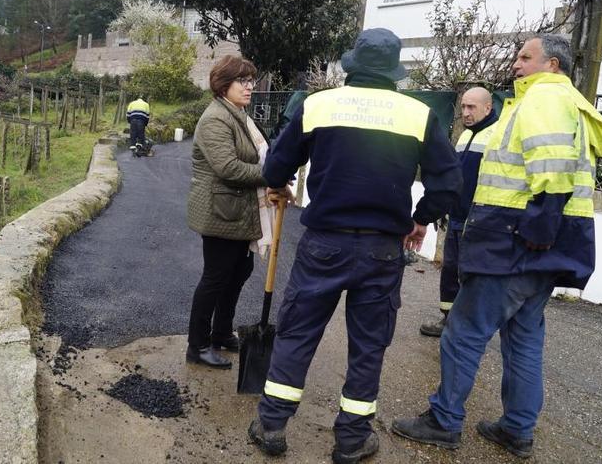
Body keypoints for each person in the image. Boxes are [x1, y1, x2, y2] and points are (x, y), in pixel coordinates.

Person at [391, 34, 602, 459]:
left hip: (515, 245)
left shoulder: (545, 99)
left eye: (525, 57)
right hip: (542, 248)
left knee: (463, 333)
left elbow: (551, 170)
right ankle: (516, 428)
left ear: (552, 65)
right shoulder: (566, 103)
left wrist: (538, 229)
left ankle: (444, 421)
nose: (516, 64)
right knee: (523, 338)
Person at [247, 28, 463, 464]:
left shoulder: (319, 104)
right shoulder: (418, 115)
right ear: (395, 71)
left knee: (297, 333)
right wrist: (420, 220)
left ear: (352, 65)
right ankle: (351, 440)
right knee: (368, 346)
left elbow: (277, 164)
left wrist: (278, 184)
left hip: (324, 243)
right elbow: (450, 184)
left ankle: (271, 425)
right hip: (383, 249)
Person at [186, 55, 274, 369]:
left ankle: (221, 332)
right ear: (224, 84)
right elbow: (227, 167)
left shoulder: (236, 114)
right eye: (243, 81)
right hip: (221, 213)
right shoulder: (215, 118)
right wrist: (270, 176)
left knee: (238, 273)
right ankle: (196, 346)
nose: (250, 86)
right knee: (215, 278)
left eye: (252, 80)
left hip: (238, 211)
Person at [419, 87, 499, 337]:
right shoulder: (465, 136)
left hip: (478, 220)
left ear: (487, 107)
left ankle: (469, 327)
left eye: (471, 107)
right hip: (456, 216)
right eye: (463, 107)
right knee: (450, 270)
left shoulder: (497, 135)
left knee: (472, 275)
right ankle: (448, 321)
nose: (465, 112)